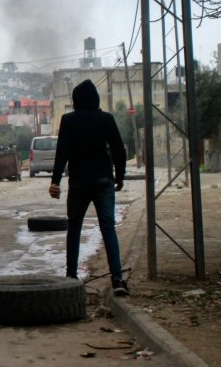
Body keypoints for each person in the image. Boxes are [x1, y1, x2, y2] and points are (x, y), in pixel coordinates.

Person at [49, 79, 129, 296]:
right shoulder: (106, 119)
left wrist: (55, 181)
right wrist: (120, 176)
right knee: (108, 228)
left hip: (79, 182)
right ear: (96, 99)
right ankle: (117, 279)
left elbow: (62, 152)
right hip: (103, 180)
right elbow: (118, 149)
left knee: (74, 229)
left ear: (75, 100)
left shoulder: (68, 120)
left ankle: (71, 276)